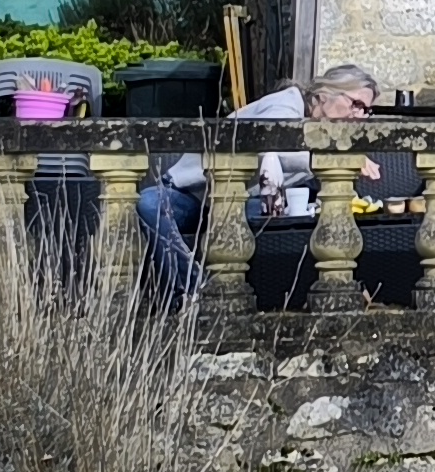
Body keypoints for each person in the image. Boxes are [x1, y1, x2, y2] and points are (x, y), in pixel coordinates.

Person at [140, 64, 378, 299]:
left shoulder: (329, 133)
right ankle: (195, 291)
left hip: (240, 201)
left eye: (367, 110)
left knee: (308, 214)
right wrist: (327, 160)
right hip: (192, 195)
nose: (360, 116)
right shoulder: (286, 103)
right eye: (356, 104)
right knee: (150, 202)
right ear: (324, 94)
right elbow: (270, 141)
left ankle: (337, 290)